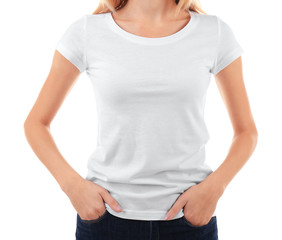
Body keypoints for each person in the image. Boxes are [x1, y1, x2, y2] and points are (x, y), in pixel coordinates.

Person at [24, 0, 258, 239]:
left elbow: (246, 132)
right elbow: (36, 123)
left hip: (188, 219)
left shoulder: (213, 32)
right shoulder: (87, 31)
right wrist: (71, 186)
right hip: (106, 219)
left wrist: (215, 188)